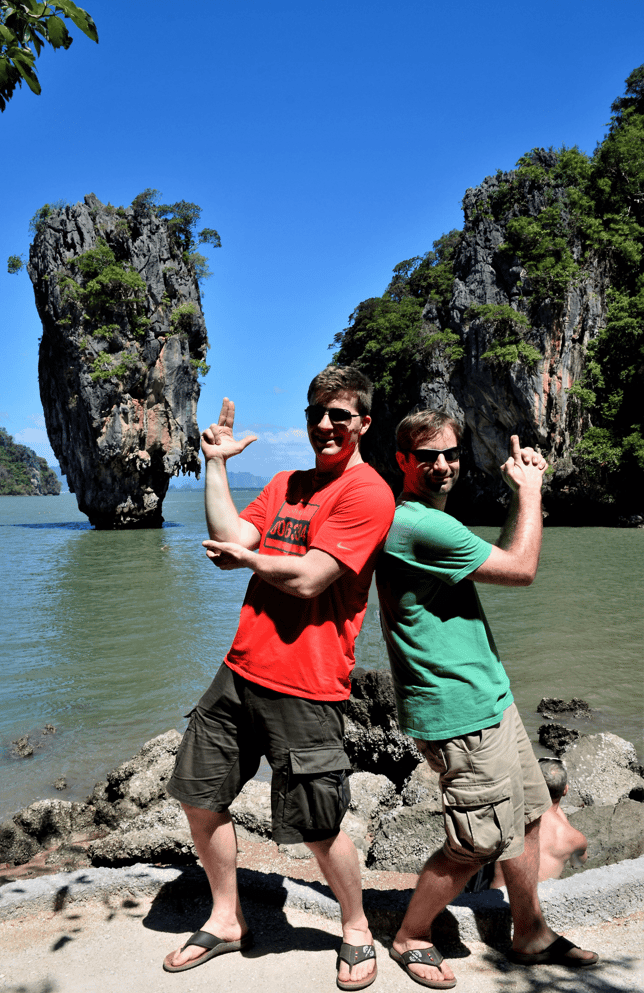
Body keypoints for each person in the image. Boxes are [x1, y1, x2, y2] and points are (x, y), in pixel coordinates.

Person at [163, 365, 395, 989]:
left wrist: (247, 557)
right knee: (198, 795)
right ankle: (227, 918)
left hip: (309, 684)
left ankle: (355, 927)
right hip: (239, 670)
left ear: (363, 424)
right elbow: (230, 532)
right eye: (316, 412)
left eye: (339, 416)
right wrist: (216, 464)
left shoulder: (367, 493)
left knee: (319, 824)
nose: (324, 424)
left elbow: (312, 578)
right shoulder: (286, 484)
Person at [376, 408, 598, 989]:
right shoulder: (419, 525)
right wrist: (530, 490)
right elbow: (522, 568)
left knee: (526, 817)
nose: (443, 466)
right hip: (457, 711)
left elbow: (498, 559)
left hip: (489, 699)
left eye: (450, 454)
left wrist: (517, 499)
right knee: (478, 840)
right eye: (428, 457)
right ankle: (412, 935)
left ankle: (530, 932)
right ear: (402, 460)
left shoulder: (432, 524)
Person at [491, 758, 588, 887]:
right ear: (565, 790)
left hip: (492, 896)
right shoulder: (574, 838)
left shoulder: (507, 812)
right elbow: (578, 863)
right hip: (537, 901)